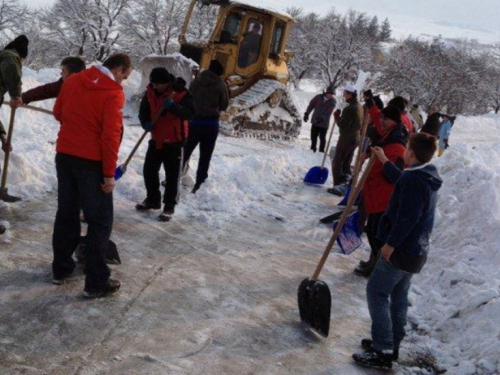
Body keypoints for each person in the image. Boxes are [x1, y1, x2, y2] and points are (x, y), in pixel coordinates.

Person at [352, 132, 442, 370]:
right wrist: (384, 160)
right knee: (399, 296)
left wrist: (390, 244)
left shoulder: (413, 181)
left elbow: (407, 217)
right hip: (415, 251)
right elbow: (401, 180)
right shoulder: (424, 175)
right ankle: (392, 343)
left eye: (407, 147)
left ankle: (382, 349)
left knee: (377, 292)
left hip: (401, 250)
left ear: (410, 152)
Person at [51, 52, 132, 298]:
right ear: (118, 70)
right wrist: (109, 175)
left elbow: (58, 112)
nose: (123, 82)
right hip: (91, 164)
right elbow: (110, 137)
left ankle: (61, 269)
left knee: (67, 212)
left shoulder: (74, 80)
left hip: (65, 156)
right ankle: (96, 281)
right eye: (125, 77)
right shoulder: (113, 92)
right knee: (100, 220)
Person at [354, 104, 408, 278]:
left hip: (384, 199)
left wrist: (381, 160)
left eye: (386, 119)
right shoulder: (387, 137)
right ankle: (372, 260)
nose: (382, 122)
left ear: (394, 121)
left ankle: (377, 266)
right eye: (382, 118)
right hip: (375, 195)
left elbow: (396, 176)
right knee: (372, 232)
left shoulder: (398, 146)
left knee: (377, 235)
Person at [136, 68, 194, 221]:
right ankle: (153, 199)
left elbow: (190, 113)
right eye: (153, 84)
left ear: (166, 82)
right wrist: (145, 123)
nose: (155, 87)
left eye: (158, 84)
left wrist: (173, 107)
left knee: (172, 176)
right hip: (156, 138)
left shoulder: (180, 93)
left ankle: (169, 206)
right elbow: (143, 111)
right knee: (149, 170)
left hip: (175, 141)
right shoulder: (150, 92)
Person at [183, 59, 229, 194]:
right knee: (205, 155)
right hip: (210, 125)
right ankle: (199, 183)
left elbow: (188, 98)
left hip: (194, 122)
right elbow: (224, 106)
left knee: (185, 151)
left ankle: (173, 177)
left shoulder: (196, 81)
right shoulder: (221, 85)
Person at [0, 35, 29, 202]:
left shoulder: (3, 56)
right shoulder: (11, 58)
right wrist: (16, 95)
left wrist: (3, 137)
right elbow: (12, 68)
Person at [327, 84, 362, 195]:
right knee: (346, 161)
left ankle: (338, 185)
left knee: (338, 161)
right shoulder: (358, 106)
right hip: (355, 137)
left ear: (350, 94)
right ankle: (345, 184)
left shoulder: (350, 108)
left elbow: (343, 124)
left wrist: (337, 117)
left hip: (347, 137)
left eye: (345, 93)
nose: (343, 95)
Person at [22, 57, 86, 104]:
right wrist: (24, 97)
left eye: (64, 71)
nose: (61, 73)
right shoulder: (63, 85)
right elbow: (46, 90)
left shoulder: (90, 90)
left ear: (72, 75)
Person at [303, 86, 336, 153]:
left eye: (332, 94)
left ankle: (321, 151)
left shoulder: (333, 102)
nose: (331, 95)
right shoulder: (318, 97)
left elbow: (328, 112)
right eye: (330, 93)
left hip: (324, 123)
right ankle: (313, 149)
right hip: (315, 121)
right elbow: (311, 105)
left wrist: (321, 119)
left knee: (322, 137)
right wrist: (307, 113)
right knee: (313, 136)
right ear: (326, 93)